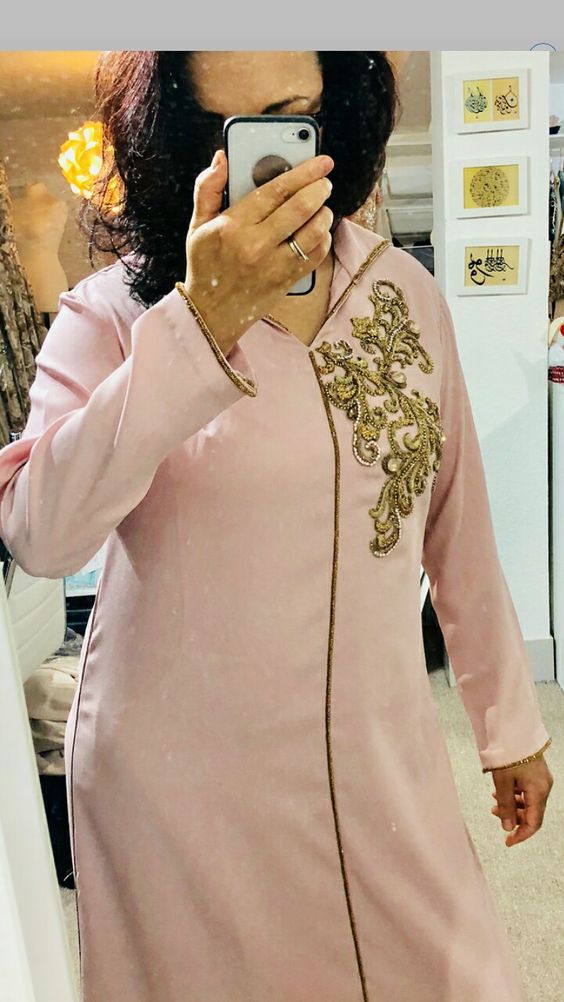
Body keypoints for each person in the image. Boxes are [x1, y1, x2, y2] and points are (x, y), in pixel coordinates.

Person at [0, 51, 554, 1002]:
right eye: (218, 129)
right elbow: (40, 535)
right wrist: (198, 324)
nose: (260, 166)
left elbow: (455, 519)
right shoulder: (115, 312)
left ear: (338, 117)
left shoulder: (403, 294)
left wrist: (509, 724)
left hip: (382, 755)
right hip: (185, 787)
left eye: (288, 116)